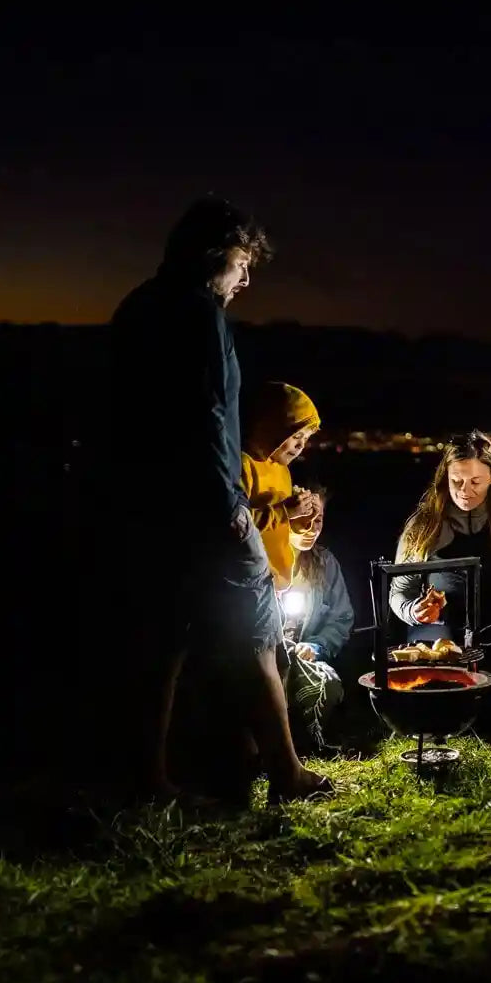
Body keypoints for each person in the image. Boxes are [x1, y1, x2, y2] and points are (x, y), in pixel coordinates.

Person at [107, 195, 331, 803]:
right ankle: (285, 773)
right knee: (256, 634)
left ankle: (149, 779)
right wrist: (230, 510)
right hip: (204, 505)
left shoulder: (137, 308)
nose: (247, 276)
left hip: (143, 506)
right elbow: (207, 420)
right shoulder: (198, 314)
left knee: (163, 641)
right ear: (213, 255)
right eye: (241, 261)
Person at [389, 431, 491, 735]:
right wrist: (412, 611)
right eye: (456, 481)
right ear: (443, 479)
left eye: (475, 481)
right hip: (442, 637)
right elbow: (399, 591)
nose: (465, 491)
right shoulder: (423, 526)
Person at [284, 484, 354, 754]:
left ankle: (306, 741)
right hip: (266, 658)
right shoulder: (261, 561)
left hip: (304, 658)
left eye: (319, 519)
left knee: (327, 685)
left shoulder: (324, 564)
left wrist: (317, 645)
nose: (311, 527)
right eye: (303, 518)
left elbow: (341, 617)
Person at [240, 381, 321, 591]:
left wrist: (303, 520)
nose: (301, 445)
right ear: (273, 428)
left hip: (278, 587)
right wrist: (285, 512)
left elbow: (283, 530)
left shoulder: (282, 470)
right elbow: (236, 525)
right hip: (250, 585)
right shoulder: (244, 465)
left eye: (306, 438)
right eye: (295, 435)